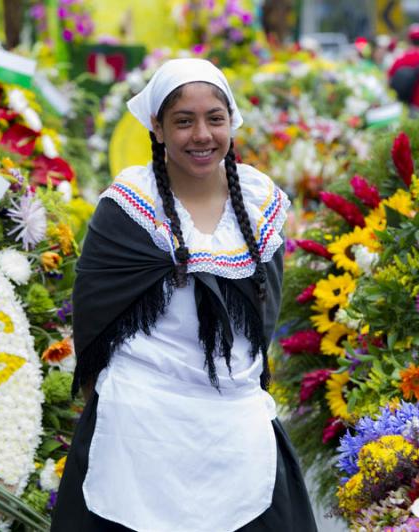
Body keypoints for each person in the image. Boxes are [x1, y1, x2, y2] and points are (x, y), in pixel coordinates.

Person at [52, 58, 317, 532]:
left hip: (234, 420)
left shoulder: (258, 205)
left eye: (215, 119)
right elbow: (93, 319)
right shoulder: (129, 208)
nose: (202, 135)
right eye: (183, 121)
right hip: (141, 420)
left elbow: (264, 318)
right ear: (156, 127)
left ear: (231, 122)